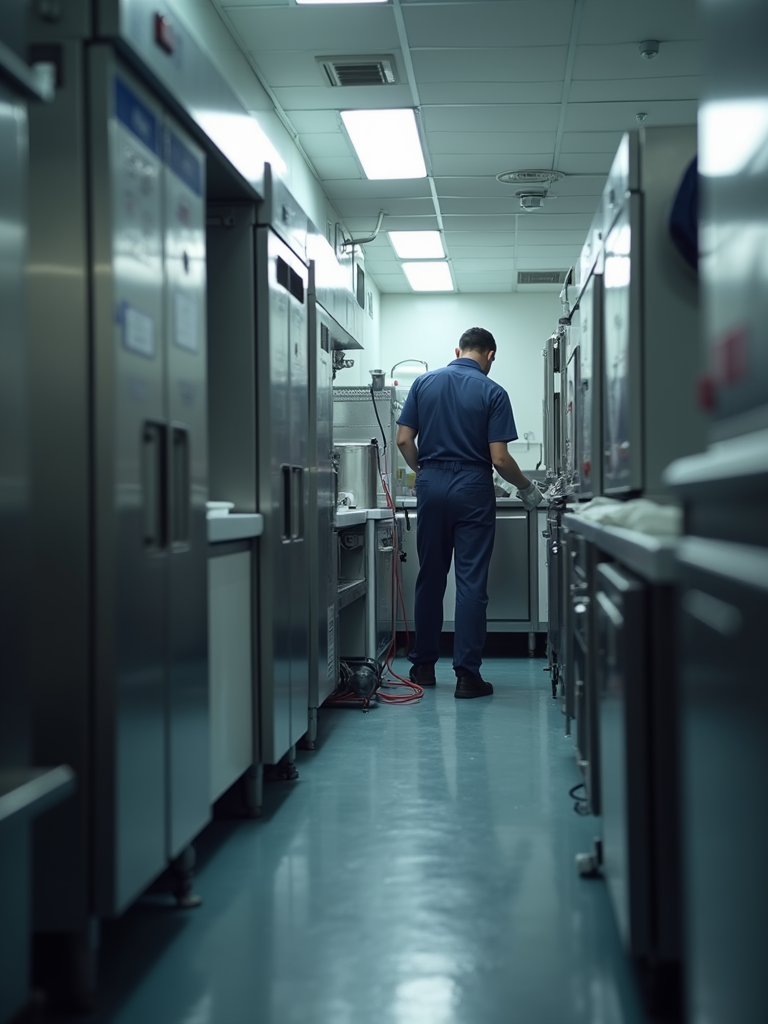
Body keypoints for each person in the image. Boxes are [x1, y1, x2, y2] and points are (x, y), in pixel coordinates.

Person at [395, 327, 543, 699]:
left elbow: (403, 440)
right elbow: (500, 459)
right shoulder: (493, 392)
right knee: (471, 581)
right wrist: (527, 489)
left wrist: (424, 471)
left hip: (431, 483)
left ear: (457, 350)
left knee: (430, 576)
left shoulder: (423, 383)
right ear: (491, 355)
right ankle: (467, 676)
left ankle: (423, 667)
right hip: (473, 487)